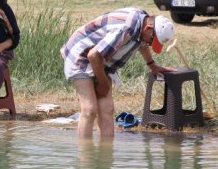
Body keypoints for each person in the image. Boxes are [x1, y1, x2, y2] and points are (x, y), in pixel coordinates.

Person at [60, 7, 176, 139]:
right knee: (90, 109)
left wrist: (152, 65)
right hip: (81, 55)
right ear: (148, 29)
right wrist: (103, 83)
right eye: (151, 41)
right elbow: (93, 55)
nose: (150, 44)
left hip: (101, 59)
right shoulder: (126, 28)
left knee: (107, 109)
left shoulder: (144, 22)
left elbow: (142, 44)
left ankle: (106, 156)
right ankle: (87, 157)